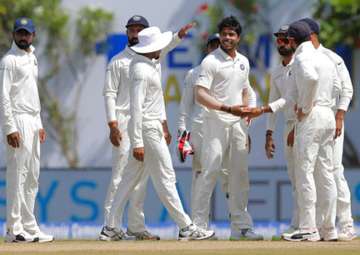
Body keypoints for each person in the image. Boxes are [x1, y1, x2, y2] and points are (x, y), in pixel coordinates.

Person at [107, 24, 215, 240]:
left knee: (129, 178)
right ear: (151, 47)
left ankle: (110, 226)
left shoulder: (148, 62)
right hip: (147, 129)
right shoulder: (141, 70)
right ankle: (186, 227)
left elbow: (163, 51)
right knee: (166, 176)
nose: (161, 47)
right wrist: (137, 141)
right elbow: (136, 108)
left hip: (151, 127)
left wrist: (177, 37)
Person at [192, 16, 263, 240]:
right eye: (224, 34)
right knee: (210, 171)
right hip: (215, 122)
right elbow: (200, 95)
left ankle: (240, 227)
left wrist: (247, 116)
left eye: (231, 34)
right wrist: (227, 108)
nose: (227, 38)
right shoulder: (210, 61)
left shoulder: (243, 61)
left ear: (238, 37)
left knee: (240, 175)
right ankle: (199, 227)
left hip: (238, 125)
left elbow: (245, 90)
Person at [101, 15, 159, 241]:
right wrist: (113, 125)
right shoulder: (118, 60)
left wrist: (162, 124)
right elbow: (109, 94)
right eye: (131, 30)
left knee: (141, 177)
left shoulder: (153, 60)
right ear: (127, 33)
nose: (134, 33)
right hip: (124, 121)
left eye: (139, 30)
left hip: (145, 122)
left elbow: (156, 97)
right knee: (120, 174)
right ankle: (110, 226)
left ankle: (135, 226)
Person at [300, 17, 356, 241]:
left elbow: (347, 89)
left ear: (312, 35)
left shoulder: (331, 57)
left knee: (333, 170)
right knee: (314, 172)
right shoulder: (302, 56)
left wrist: (340, 115)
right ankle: (321, 227)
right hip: (310, 119)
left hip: (330, 118)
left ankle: (346, 224)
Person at [282, 21, 338, 242]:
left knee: (304, 172)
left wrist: (305, 106)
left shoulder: (302, 57)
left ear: (293, 40)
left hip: (311, 116)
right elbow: (336, 87)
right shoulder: (325, 58)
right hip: (327, 114)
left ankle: (308, 228)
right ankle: (328, 228)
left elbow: (311, 79)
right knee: (325, 173)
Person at [0, 17, 53, 243]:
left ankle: (29, 227)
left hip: (32, 121)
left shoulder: (32, 57)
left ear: (33, 35)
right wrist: (10, 127)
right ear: (14, 34)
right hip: (18, 120)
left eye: (27, 33)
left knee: (32, 177)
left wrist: (39, 123)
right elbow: (4, 97)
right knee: (17, 176)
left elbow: (32, 93)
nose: (23, 37)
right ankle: (14, 228)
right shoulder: (9, 60)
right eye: (20, 33)